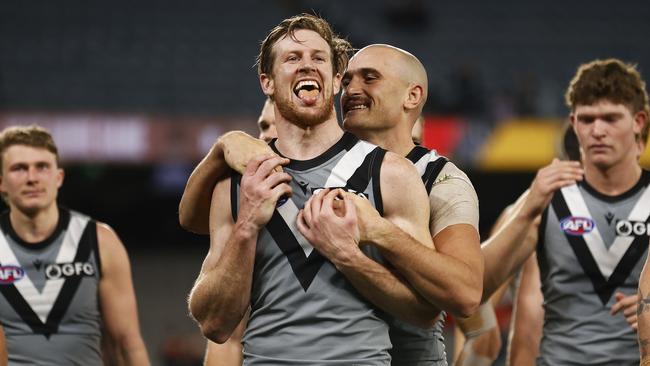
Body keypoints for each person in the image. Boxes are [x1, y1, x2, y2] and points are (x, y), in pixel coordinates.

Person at [186, 14, 437, 365]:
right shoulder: (238, 182)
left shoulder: (391, 173)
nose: (307, 66)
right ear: (267, 83)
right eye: (292, 58)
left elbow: (424, 313)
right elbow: (215, 323)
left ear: (336, 80)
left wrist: (348, 256)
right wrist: (247, 226)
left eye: (318, 58)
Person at [508, 59, 650, 365]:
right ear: (574, 123)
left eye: (611, 118)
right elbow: (528, 314)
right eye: (588, 119)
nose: (598, 130)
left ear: (638, 122)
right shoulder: (546, 199)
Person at [0, 125, 150, 365]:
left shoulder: (100, 241)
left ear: (58, 177)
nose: (32, 178)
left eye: (42, 167)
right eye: (19, 168)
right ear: (1, 182)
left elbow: (127, 343)